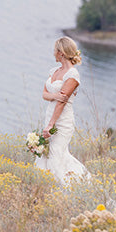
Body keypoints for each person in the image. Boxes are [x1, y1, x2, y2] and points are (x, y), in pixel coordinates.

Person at [35, 37, 91, 184]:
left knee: (56, 154)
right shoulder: (54, 71)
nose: (53, 53)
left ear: (61, 53)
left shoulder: (73, 75)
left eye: (55, 50)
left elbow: (62, 102)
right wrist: (55, 96)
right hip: (49, 117)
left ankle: (71, 186)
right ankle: (45, 186)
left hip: (62, 121)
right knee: (45, 154)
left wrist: (51, 125)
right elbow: (44, 94)